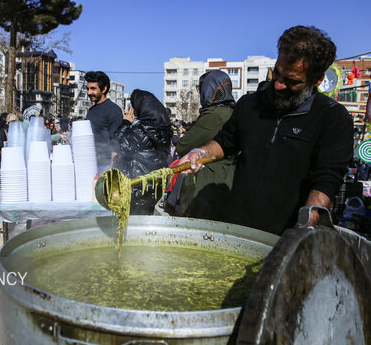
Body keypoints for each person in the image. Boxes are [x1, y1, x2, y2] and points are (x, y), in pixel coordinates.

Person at [179, 26, 353, 234]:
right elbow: (224, 142)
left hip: (286, 234)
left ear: (317, 80)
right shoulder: (249, 105)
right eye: (277, 73)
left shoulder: (333, 118)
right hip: (237, 226)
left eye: (291, 81)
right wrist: (200, 152)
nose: (278, 85)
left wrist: (303, 229)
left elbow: (326, 180)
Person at [167, 70, 237, 220]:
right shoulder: (233, 111)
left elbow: (183, 145)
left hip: (207, 180)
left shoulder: (214, 114)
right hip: (228, 180)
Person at [113, 89, 172, 215]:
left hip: (138, 186)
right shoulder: (163, 129)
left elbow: (118, 143)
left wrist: (125, 123)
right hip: (153, 186)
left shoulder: (142, 131)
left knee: (134, 224)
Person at [85, 71, 123, 173]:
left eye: (93, 88)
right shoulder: (91, 111)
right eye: (87, 89)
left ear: (104, 89)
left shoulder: (113, 110)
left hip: (106, 166)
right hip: (91, 163)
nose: (89, 92)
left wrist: (113, 167)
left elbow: (117, 140)